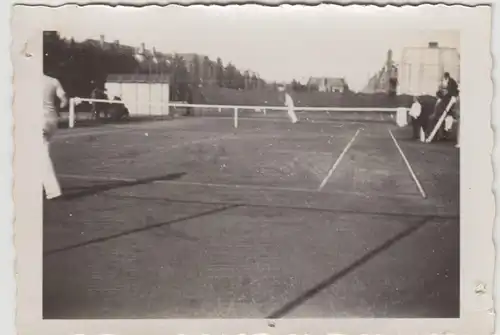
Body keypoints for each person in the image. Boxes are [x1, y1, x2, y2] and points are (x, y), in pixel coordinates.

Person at [43, 74, 68, 199]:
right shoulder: (53, 80)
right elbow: (64, 101)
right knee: (42, 149)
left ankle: (53, 191)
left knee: (40, 156)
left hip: (36, 119)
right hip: (52, 120)